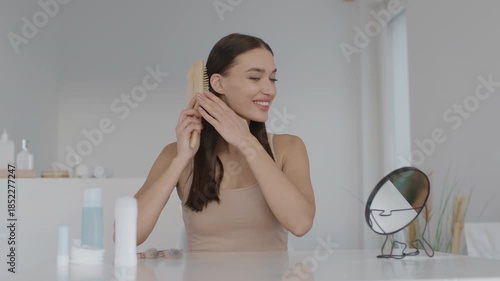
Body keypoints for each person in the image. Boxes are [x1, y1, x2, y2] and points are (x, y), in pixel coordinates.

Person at [134, 33, 315, 251]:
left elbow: (301, 224)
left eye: (273, 79)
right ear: (218, 83)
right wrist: (181, 159)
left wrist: (246, 142)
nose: (270, 90)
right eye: (255, 78)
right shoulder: (176, 154)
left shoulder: (288, 148)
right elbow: (130, 234)